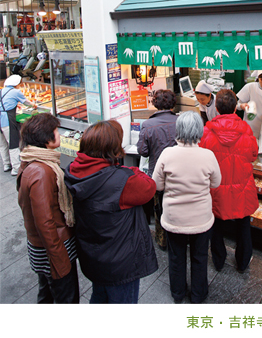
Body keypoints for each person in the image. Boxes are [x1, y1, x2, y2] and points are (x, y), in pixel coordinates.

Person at [64, 120, 158, 304]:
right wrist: (128, 169)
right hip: (120, 263)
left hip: (93, 256)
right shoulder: (122, 181)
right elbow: (149, 187)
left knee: (99, 296)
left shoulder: (74, 170)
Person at [152, 111, 221, 303]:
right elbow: (216, 183)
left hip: (174, 218)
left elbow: (156, 185)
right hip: (201, 218)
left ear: (179, 130)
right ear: (199, 130)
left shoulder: (168, 153)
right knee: (199, 257)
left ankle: (178, 293)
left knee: (176, 257)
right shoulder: (208, 155)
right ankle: (199, 295)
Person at [17, 113, 79, 303]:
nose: (59, 134)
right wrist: (59, 260)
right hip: (54, 249)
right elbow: (45, 222)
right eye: (56, 131)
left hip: (45, 248)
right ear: (46, 139)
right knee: (65, 297)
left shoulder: (33, 161)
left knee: (47, 293)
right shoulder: (41, 172)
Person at [199, 88, 259, 273]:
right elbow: (253, 155)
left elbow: (201, 159)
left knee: (216, 226)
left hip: (216, 188)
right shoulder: (246, 130)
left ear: (216, 108)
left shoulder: (206, 132)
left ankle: (218, 260)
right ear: (235, 109)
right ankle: (242, 262)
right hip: (242, 186)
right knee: (243, 226)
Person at [137, 89, 178, 250]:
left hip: (157, 174)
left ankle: (162, 240)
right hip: (177, 173)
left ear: (155, 104)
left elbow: (143, 151)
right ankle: (178, 236)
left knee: (159, 207)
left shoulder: (147, 125)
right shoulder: (179, 121)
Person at [0, 74, 37, 175]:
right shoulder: (16, 92)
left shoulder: (1, 91)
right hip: (6, 119)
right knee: (13, 143)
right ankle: (16, 167)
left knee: (2, 144)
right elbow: (26, 103)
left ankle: (6, 164)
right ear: (16, 84)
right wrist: (34, 105)